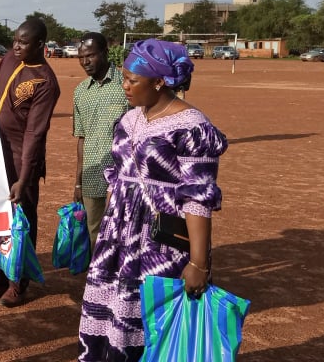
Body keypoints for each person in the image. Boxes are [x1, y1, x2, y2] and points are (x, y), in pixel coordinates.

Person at [77, 39, 227, 361]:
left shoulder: (192, 127)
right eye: (124, 78)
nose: (125, 86)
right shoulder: (130, 119)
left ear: (159, 82)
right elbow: (116, 177)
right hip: (118, 237)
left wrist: (198, 263)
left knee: (154, 326)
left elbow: (198, 198)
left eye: (133, 80)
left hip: (159, 242)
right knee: (110, 314)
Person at [0, 18, 60, 308]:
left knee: (21, 221)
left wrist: (24, 178)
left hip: (23, 160)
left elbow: (35, 133)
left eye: (23, 42)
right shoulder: (11, 58)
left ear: (39, 45)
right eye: (15, 40)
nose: (16, 46)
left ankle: (18, 283)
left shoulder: (45, 82)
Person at [72, 32, 130, 251]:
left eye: (91, 55)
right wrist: (78, 181)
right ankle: (99, 280)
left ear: (105, 53)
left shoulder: (127, 86)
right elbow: (82, 138)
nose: (85, 62)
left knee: (124, 231)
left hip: (125, 176)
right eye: (81, 57)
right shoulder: (80, 92)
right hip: (92, 176)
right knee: (94, 233)